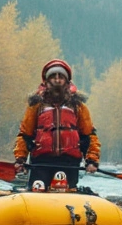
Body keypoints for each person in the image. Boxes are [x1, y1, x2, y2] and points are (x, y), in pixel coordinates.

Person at [13, 59, 101, 189]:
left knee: (67, 194)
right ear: (46, 81)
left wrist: (92, 161)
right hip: (40, 163)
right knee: (37, 191)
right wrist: (20, 160)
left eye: (61, 76)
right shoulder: (36, 105)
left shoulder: (78, 106)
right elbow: (25, 136)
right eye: (53, 76)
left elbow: (89, 136)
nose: (57, 80)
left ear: (67, 81)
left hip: (69, 164)